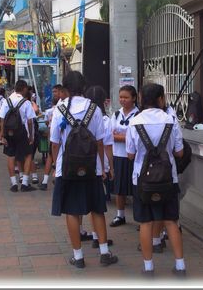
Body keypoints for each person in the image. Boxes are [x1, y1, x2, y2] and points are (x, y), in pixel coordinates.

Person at [50, 71, 118, 268]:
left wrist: (56, 165)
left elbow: (54, 143)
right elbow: (99, 142)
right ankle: (104, 252)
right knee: (97, 209)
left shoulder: (60, 108)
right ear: (84, 87)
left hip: (67, 167)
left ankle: (78, 257)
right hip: (92, 168)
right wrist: (102, 167)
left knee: (72, 211)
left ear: (65, 88)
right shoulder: (94, 109)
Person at [125, 83, 186, 277]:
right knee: (171, 222)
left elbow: (130, 155)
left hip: (142, 181)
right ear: (161, 99)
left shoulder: (134, 122)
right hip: (169, 179)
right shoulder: (171, 120)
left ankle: (149, 268)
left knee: (145, 223)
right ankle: (180, 266)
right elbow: (179, 151)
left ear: (141, 99)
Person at [84, 85, 115, 248]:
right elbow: (107, 146)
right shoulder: (104, 120)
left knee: (88, 203)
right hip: (97, 167)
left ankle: (94, 235)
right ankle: (100, 240)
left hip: (80, 164)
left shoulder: (82, 116)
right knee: (98, 205)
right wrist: (109, 168)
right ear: (104, 102)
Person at [0, 80, 37, 192]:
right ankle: (24, 183)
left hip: (9, 132)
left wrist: (2, 134)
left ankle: (13, 184)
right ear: (24, 89)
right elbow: (30, 121)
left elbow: (2, 118)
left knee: (11, 155)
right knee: (28, 155)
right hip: (22, 132)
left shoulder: (7, 100)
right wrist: (31, 135)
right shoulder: (25, 102)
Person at [109, 85, 139, 227]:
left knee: (137, 188)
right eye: (121, 97)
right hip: (118, 155)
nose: (123, 100)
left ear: (134, 98)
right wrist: (125, 136)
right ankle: (120, 215)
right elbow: (110, 135)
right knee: (119, 188)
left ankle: (140, 218)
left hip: (134, 156)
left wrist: (119, 136)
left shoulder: (139, 115)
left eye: (126, 97)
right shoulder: (116, 114)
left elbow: (137, 138)